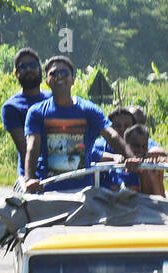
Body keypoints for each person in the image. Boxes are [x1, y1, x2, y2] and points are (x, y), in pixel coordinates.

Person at [23, 56, 137, 193]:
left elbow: (112, 135)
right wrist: (29, 179)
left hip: (82, 193)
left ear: (73, 80)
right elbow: (32, 147)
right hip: (48, 190)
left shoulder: (88, 110)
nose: (59, 76)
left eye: (64, 73)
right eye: (53, 73)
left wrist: (131, 158)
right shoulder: (37, 112)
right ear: (47, 81)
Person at [1, 48, 49, 188]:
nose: (29, 69)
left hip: (60, 171)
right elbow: (24, 148)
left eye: (33, 65)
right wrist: (32, 178)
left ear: (40, 70)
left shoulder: (54, 99)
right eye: (23, 67)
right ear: (16, 73)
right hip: (30, 177)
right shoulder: (11, 107)